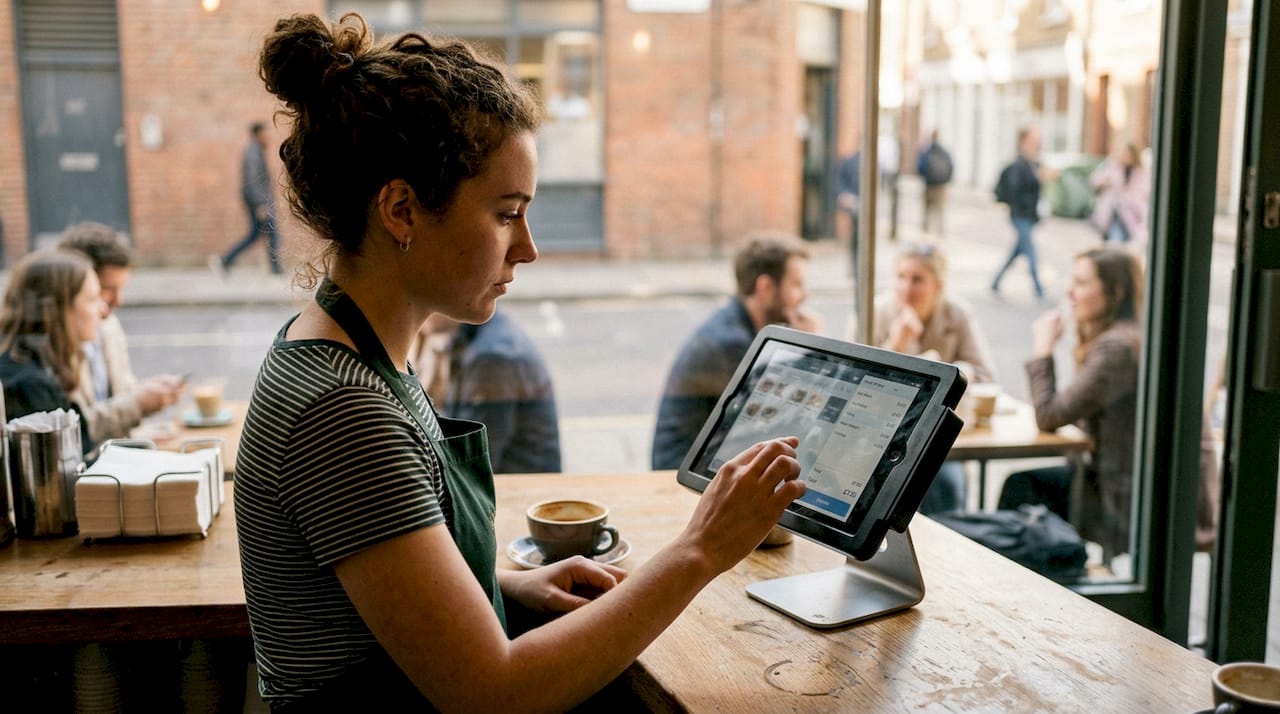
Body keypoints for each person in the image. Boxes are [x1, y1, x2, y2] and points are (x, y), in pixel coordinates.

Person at [233, 14, 805, 710]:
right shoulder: (343, 410)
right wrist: (700, 550)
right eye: (507, 213)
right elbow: (491, 694)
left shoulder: (347, 349)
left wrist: (500, 588)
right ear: (402, 210)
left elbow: (373, 590)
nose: (527, 248)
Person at [998, 247, 1143, 563]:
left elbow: (1049, 415)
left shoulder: (1116, 348)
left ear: (1114, 292)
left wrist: (1043, 348)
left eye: (1080, 283)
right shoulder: (1125, 337)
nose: (1069, 291)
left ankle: (1032, 579)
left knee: (1022, 487)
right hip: (1118, 475)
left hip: (1119, 489)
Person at [651, 233, 820, 470]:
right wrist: (808, 345)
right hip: (680, 475)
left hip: (699, 461)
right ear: (766, 287)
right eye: (796, 284)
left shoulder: (738, 326)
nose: (805, 295)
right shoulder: (731, 344)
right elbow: (785, 414)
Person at [870, 242, 997, 514]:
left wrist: (949, 372)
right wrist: (896, 346)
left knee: (947, 485)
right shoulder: (875, 313)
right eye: (901, 277)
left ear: (938, 286)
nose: (906, 288)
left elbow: (985, 375)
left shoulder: (956, 313)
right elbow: (863, 384)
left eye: (917, 280)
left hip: (939, 435)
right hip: (882, 432)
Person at [57, 222, 185, 444]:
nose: (118, 301)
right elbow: (78, 429)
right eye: (107, 290)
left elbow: (121, 393)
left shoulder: (109, 326)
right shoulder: (53, 343)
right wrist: (138, 404)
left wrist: (147, 396)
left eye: (121, 289)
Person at [416, 309, 562, 474]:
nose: (415, 310)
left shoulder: (492, 357)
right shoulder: (471, 333)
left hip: (517, 488)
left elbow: (471, 463)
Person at [0, 250, 102, 456]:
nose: (103, 307)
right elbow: (66, 473)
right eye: (92, 299)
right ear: (58, 309)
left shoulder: (38, 360)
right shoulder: (29, 385)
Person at [210, 121, 283, 276]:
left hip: (259, 201)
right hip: (260, 202)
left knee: (255, 235)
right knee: (271, 233)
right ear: (257, 135)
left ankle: (225, 260)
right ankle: (275, 270)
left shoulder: (256, 151)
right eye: (265, 134)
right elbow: (253, 180)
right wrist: (261, 204)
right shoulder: (253, 153)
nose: (268, 137)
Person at [991, 126, 1048, 303]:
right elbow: (1016, 191)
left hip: (1029, 215)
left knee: (1017, 251)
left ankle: (995, 282)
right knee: (1030, 251)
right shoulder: (1020, 164)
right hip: (1020, 215)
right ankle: (1039, 288)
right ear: (1024, 141)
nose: (1038, 142)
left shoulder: (1033, 163)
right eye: (1034, 138)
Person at [1089, 142, 1150, 246]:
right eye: (1123, 154)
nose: (1125, 157)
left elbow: (1145, 190)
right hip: (1114, 209)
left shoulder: (1140, 172)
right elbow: (1095, 181)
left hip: (1133, 210)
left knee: (1126, 233)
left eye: (1128, 155)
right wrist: (1104, 184)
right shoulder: (1111, 167)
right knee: (1116, 231)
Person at [915, 129, 953, 235]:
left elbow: (920, 167)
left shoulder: (927, 151)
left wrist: (926, 178)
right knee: (940, 211)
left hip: (929, 185)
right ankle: (940, 234)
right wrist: (946, 180)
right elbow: (951, 166)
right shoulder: (945, 152)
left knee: (927, 211)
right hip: (941, 186)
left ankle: (925, 233)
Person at [835, 145, 861, 275]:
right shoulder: (849, 161)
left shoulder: (875, 162)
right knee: (855, 238)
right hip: (854, 205)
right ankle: (855, 267)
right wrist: (845, 195)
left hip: (863, 204)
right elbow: (839, 181)